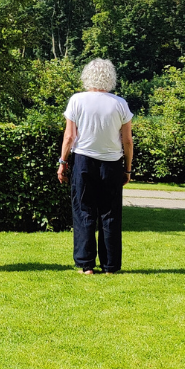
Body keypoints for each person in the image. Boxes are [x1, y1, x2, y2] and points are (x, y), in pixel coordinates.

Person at [58, 58, 133, 275]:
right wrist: (127, 169)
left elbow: (69, 136)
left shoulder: (77, 100)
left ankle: (86, 265)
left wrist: (63, 162)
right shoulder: (120, 103)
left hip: (83, 161)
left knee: (84, 211)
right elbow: (127, 141)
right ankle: (110, 266)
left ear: (87, 76)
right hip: (112, 164)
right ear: (111, 77)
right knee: (110, 214)